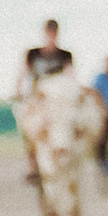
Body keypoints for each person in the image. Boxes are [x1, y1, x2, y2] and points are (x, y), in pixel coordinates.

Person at [14, 20, 74, 182]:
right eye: (49, 33)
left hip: (57, 100)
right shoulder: (33, 54)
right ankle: (32, 163)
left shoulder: (65, 55)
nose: (51, 36)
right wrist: (18, 90)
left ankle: (70, 157)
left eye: (54, 33)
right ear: (45, 33)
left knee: (71, 121)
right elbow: (23, 73)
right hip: (37, 98)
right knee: (27, 123)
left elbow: (70, 75)